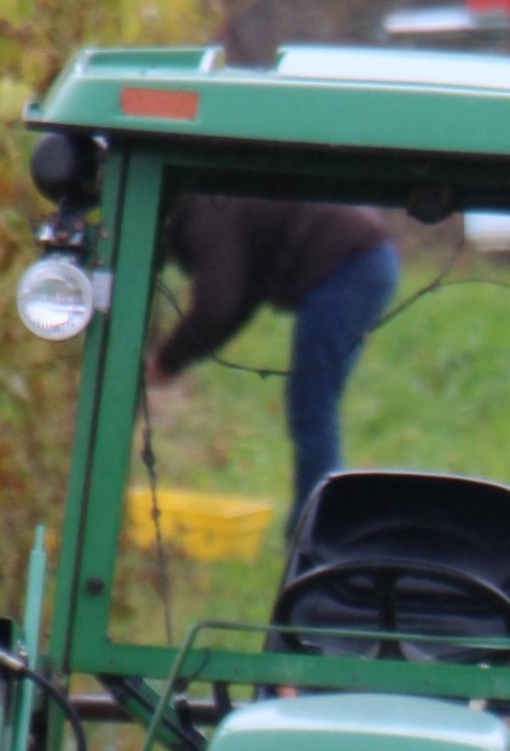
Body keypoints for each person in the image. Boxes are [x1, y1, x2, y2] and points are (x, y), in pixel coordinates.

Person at [148, 194, 402, 523]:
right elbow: (239, 299)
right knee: (312, 408)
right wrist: (175, 359)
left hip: (350, 265)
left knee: (313, 408)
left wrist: (165, 362)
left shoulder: (204, 212)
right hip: (364, 260)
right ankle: (313, 530)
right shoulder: (216, 205)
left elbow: (217, 304)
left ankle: (315, 533)